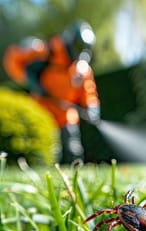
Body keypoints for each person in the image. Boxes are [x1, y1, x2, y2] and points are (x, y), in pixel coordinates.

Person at [3, 21, 101, 163]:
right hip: (43, 110)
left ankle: (74, 177)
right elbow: (13, 59)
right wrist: (31, 82)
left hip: (66, 115)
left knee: (74, 150)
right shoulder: (47, 51)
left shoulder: (83, 69)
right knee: (51, 152)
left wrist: (92, 108)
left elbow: (89, 93)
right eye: (79, 46)